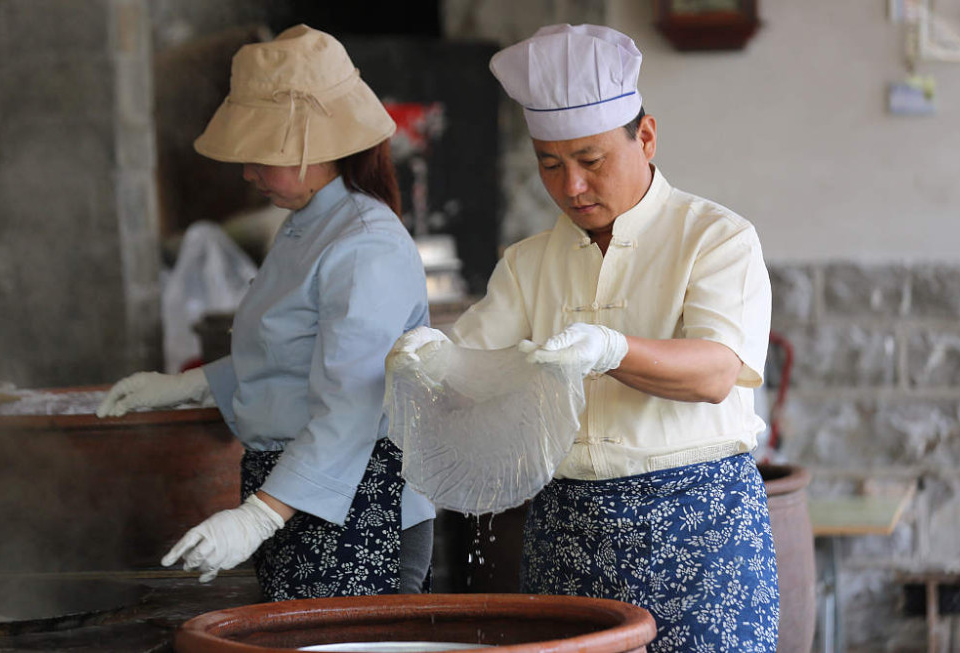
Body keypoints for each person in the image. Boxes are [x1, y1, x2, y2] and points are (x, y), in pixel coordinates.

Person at [390, 24, 778, 652]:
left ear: (645, 137)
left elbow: (715, 372)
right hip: (567, 527)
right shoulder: (528, 263)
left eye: (591, 161)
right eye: (551, 164)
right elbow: (472, 369)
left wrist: (612, 349)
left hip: (698, 527)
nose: (571, 186)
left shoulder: (715, 238)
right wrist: (429, 355)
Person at [96, 24, 436, 601]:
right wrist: (186, 386)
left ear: (318, 147)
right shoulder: (305, 226)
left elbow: (349, 409)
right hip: (295, 492)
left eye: (261, 154)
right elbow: (288, 355)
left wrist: (257, 517)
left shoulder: (364, 245)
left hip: (356, 499)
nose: (247, 172)